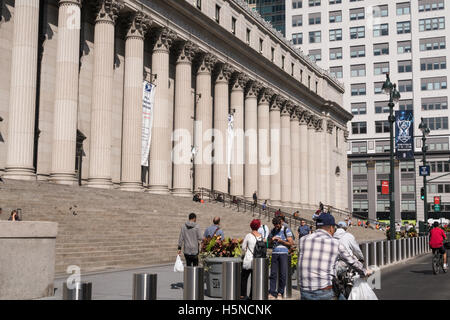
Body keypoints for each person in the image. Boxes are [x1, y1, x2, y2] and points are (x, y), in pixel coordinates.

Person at [298, 213, 371, 300]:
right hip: (324, 292)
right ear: (332, 228)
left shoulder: (303, 240)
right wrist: (364, 272)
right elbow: (351, 261)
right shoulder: (335, 243)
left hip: (305, 292)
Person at [268, 216, 294, 300]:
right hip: (275, 253)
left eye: (277, 225)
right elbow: (269, 243)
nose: (276, 227)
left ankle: (280, 292)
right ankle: (272, 292)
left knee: (282, 274)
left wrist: (281, 241)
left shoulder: (286, 229)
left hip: (283, 253)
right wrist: (272, 240)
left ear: (281, 223)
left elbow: (291, 243)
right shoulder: (273, 230)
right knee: (273, 274)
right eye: (275, 225)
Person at [240, 219, 263, 300]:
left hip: (248, 259)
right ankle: (251, 295)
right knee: (254, 279)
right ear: (259, 226)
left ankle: (243, 294)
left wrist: (246, 250)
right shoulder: (261, 236)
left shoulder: (248, 235)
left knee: (244, 277)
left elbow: (243, 248)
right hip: (257, 260)